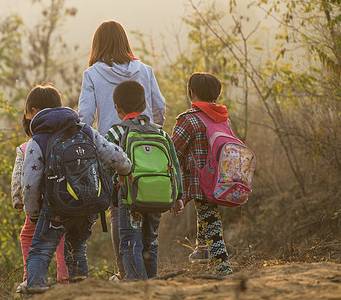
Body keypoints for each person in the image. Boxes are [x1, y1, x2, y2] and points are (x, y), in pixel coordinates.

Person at [78, 20, 166, 279]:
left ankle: (127, 274)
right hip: (149, 148)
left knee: (120, 209)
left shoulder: (92, 74)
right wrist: (149, 132)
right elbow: (160, 109)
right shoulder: (146, 70)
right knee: (149, 204)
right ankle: (148, 275)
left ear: (98, 45)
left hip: (113, 150)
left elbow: (84, 119)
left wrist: (94, 150)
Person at [21, 84, 132, 288]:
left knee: (40, 250)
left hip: (57, 207)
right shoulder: (85, 130)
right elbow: (113, 154)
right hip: (89, 204)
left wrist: (33, 213)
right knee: (77, 249)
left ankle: (34, 291)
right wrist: (126, 170)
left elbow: (30, 183)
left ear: (34, 112)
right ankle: (81, 291)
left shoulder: (38, 140)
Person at [105, 80, 184, 279]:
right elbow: (174, 165)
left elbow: (105, 162)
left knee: (131, 241)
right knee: (151, 241)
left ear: (117, 108)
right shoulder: (160, 132)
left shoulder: (116, 131)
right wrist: (178, 196)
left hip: (129, 198)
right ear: (144, 106)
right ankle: (152, 284)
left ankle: (138, 288)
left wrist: (104, 194)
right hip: (158, 197)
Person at [171, 72, 233, 275]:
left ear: (191, 93)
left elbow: (173, 151)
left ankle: (224, 268)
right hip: (220, 180)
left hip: (199, 180)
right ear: (217, 95)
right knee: (206, 210)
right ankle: (202, 250)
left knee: (210, 219)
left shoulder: (188, 120)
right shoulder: (224, 119)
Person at [10, 115, 68, 291]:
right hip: (62, 202)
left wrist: (17, 198)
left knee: (28, 235)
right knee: (62, 240)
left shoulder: (25, 147)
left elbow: (18, 176)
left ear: (29, 130)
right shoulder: (64, 142)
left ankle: (30, 277)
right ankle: (65, 281)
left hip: (37, 203)